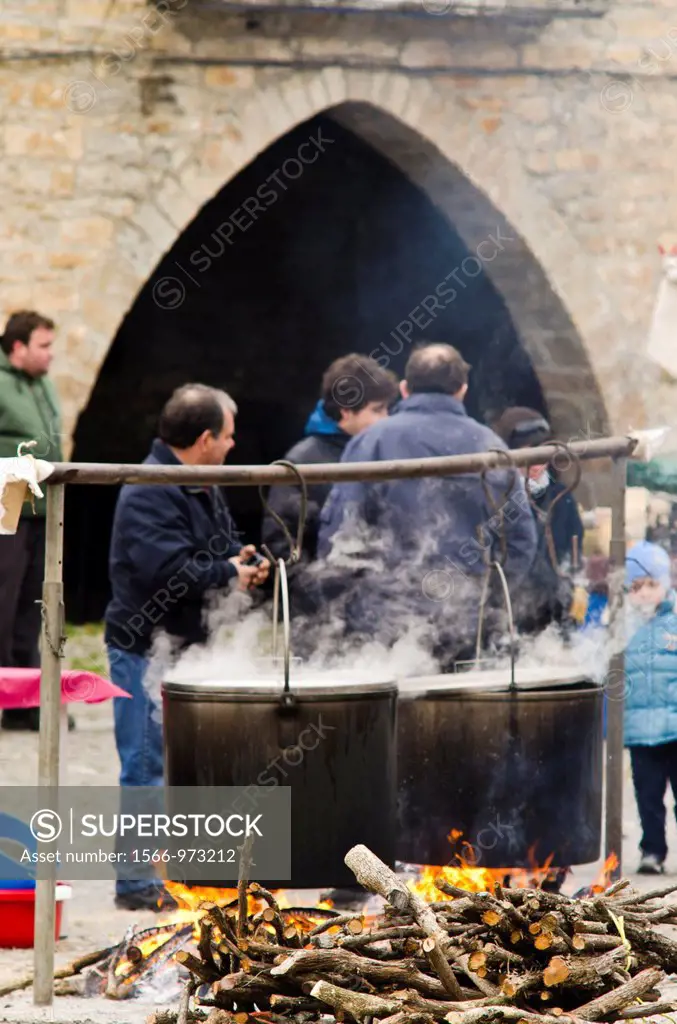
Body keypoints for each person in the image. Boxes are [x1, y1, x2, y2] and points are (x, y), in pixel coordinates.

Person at [105, 384, 270, 910]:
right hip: (144, 648)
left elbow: (213, 544)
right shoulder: (147, 489)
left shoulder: (199, 483)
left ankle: (185, 870)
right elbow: (167, 570)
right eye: (227, 435)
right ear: (203, 439)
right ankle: (135, 883)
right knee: (146, 764)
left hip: (189, 647)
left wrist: (238, 557)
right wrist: (228, 572)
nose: (232, 444)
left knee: (187, 764)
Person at [317, 344, 537, 666]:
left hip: (382, 624)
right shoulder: (492, 448)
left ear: (405, 389)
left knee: (386, 713)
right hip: (466, 620)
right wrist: (487, 600)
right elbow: (520, 539)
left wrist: (357, 604)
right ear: (463, 389)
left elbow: (339, 535)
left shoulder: (370, 442)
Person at [261, 355, 398, 610]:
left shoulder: (384, 453)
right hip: (323, 615)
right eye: (377, 410)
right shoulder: (301, 463)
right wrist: (322, 597)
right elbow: (280, 546)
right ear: (346, 411)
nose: (387, 418)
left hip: (379, 605)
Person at [0, 311, 63, 732]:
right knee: (2, 604)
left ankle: (25, 702)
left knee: (31, 606)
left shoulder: (43, 386)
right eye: (43, 346)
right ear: (18, 347)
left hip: (40, 508)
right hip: (6, 506)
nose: (51, 355)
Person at [492, 406, 584, 635]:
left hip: (553, 613)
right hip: (507, 613)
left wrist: (575, 586)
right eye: (528, 456)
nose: (536, 465)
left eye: (541, 456)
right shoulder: (494, 496)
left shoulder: (560, 496)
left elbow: (573, 548)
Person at [624, 540, 677, 875]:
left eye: (652, 585)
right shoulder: (621, 625)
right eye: (637, 586)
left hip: (675, 727)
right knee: (648, 796)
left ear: (666, 584)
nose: (644, 593)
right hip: (640, 730)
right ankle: (652, 849)